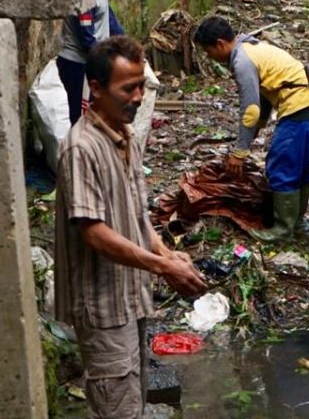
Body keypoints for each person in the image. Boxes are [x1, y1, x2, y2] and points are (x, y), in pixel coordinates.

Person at [55, 36, 207, 419]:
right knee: (116, 407)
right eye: (128, 88)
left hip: (131, 297)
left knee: (132, 403)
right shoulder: (81, 148)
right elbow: (92, 231)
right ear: (96, 89)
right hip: (103, 306)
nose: (139, 96)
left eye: (141, 85)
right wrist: (161, 267)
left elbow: (135, 216)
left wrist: (165, 252)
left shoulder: (128, 136)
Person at [193, 17, 309, 242]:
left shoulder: (242, 61)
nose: (210, 58)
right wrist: (256, 130)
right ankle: (296, 224)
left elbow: (250, 109)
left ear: (220, 44)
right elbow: (265, 96)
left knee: (281, 168)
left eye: (208, 52)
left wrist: (240, 151)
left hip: (299, 108)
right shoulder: (253, 47)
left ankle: (282, 230)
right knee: (301, 167)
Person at [57, 0, 126, 126]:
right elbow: (87, 39)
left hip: (91, 62)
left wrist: (127, 46)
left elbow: (109, 20)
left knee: (98, 117)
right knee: (82, 120)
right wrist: (109, 63)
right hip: (78, 65)